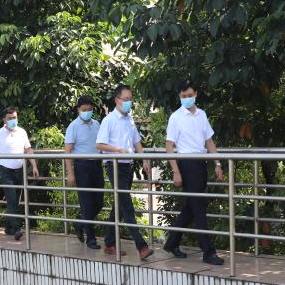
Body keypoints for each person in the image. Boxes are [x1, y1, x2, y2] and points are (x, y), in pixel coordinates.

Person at [163, 80, 224, 265]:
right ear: (179, 97)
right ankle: (208, 252)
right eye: (184, 96)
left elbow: (209, 141)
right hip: (186, 164)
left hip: (201, 164)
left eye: (190, 95)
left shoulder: (202, 114)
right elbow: (169, 146)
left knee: (191, 207)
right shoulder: (175, 117)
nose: (187, 99)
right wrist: (176, 171)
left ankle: (172, 243)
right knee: (198, 208)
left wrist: (217, 163)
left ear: (196, 94)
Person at [95, 84, 154, 261]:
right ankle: (141, 246)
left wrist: (144, 159)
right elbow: (99, 144)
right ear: (117, 100)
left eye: (130, 99)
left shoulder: (130, 120)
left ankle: (109, 243)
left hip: (127, 166)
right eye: (125, 99)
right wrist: (117, 150)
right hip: (114, 165)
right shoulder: (109, 120)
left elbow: (137, 142)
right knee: (127, 206)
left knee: (119, 205)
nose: (129, 102)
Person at [0, 107, 39, 241]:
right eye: (10, 118)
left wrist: (34, 166)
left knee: (15, 201)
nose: (13, 120)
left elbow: (28, 150)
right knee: (11, 200)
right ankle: (16, 229)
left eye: (15, 118)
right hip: (6, 171)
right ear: (4, 120)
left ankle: (8, 227)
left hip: (19, 171)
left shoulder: (22, 132)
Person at [64, 95, 104, 249]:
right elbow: (67, 152)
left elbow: (101, 144)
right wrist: (70, 173)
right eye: (84, 109)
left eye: (90, 109)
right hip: (82, 167)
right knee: (87, 203)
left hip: (96, 165)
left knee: (98, 202)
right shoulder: (73, 126)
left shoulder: (97, 124)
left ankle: (80, 224)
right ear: (78, 110)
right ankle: (91, 239)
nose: (87, 112)